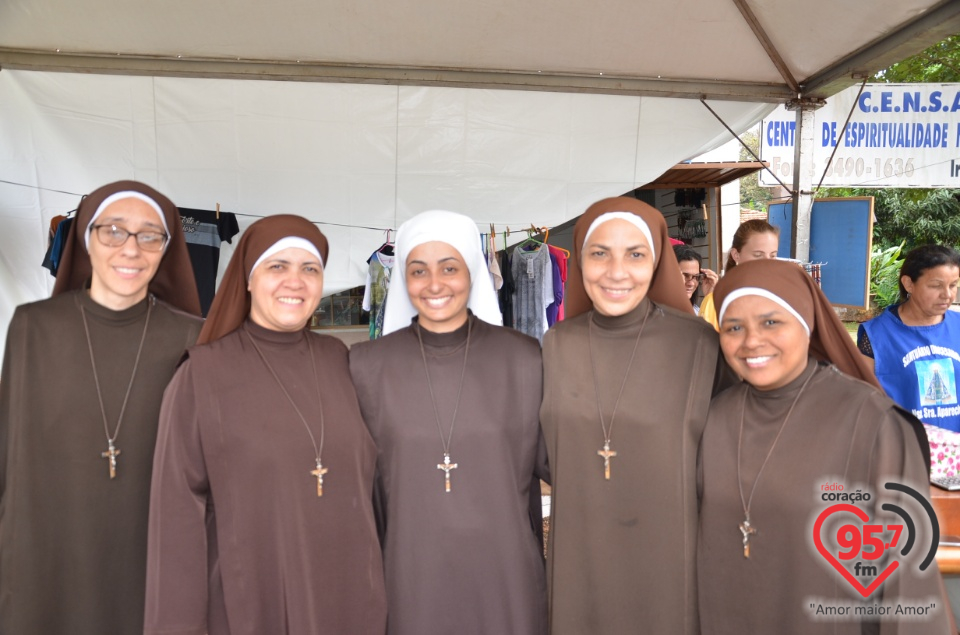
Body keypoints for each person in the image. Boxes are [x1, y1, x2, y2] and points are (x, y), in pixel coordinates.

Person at [144, 215, 387, 635]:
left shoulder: (342, 361)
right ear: (249, 278)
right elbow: (176, 521)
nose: (295, 281)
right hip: (253, 603)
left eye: (309, 268)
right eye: (277, 266)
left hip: (350, 597)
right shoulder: (201, 375)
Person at [699, 259, 952, 634]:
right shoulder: (715, 415)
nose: (751, 341)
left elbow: (907, 576)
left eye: (771, 322)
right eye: (734, 327)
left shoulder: (873, 422)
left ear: (807, 323)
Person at [0, 180, 202, 634]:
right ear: (86, 239)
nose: (131, 249)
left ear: (166, 249)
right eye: (113, 230)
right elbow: (7, 448)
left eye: (150, 235)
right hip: (48, 552)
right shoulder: (32, 327)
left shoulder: (194, 339)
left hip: (148, 552)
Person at [349, 210, 547, 635]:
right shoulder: (365, 366)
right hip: (408, 576)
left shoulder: (525, 358)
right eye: (418, 270)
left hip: (504, 576)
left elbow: (568, 461)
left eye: (449, 267)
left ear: (473, 271)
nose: (434, 284)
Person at [540, 197, 729, 635]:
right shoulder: (556, 344)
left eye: (636, 254)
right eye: (599, 253)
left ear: (658, 261)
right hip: (580, 558)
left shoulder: (699, 344)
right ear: (580, 260)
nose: (617, 272)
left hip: (670, 560)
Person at [858, 244, 960, 433]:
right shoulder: (876, 335)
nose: (947, 295)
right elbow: (862, 401)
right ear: (909, 284)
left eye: (953, 285)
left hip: (953, 454)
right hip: (904, 450)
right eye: (936, 285)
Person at [699, 218, 779, 329]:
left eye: (773, 255)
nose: (766, 262)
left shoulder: (781, 300)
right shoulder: (716, 303)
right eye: (758, 255)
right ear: (736, 254)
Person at [673, 243, 718, 315]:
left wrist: (709, 297)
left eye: (695, 277)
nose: (691, 283)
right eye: (685, 276)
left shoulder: (696, 311)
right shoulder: (654, 314)